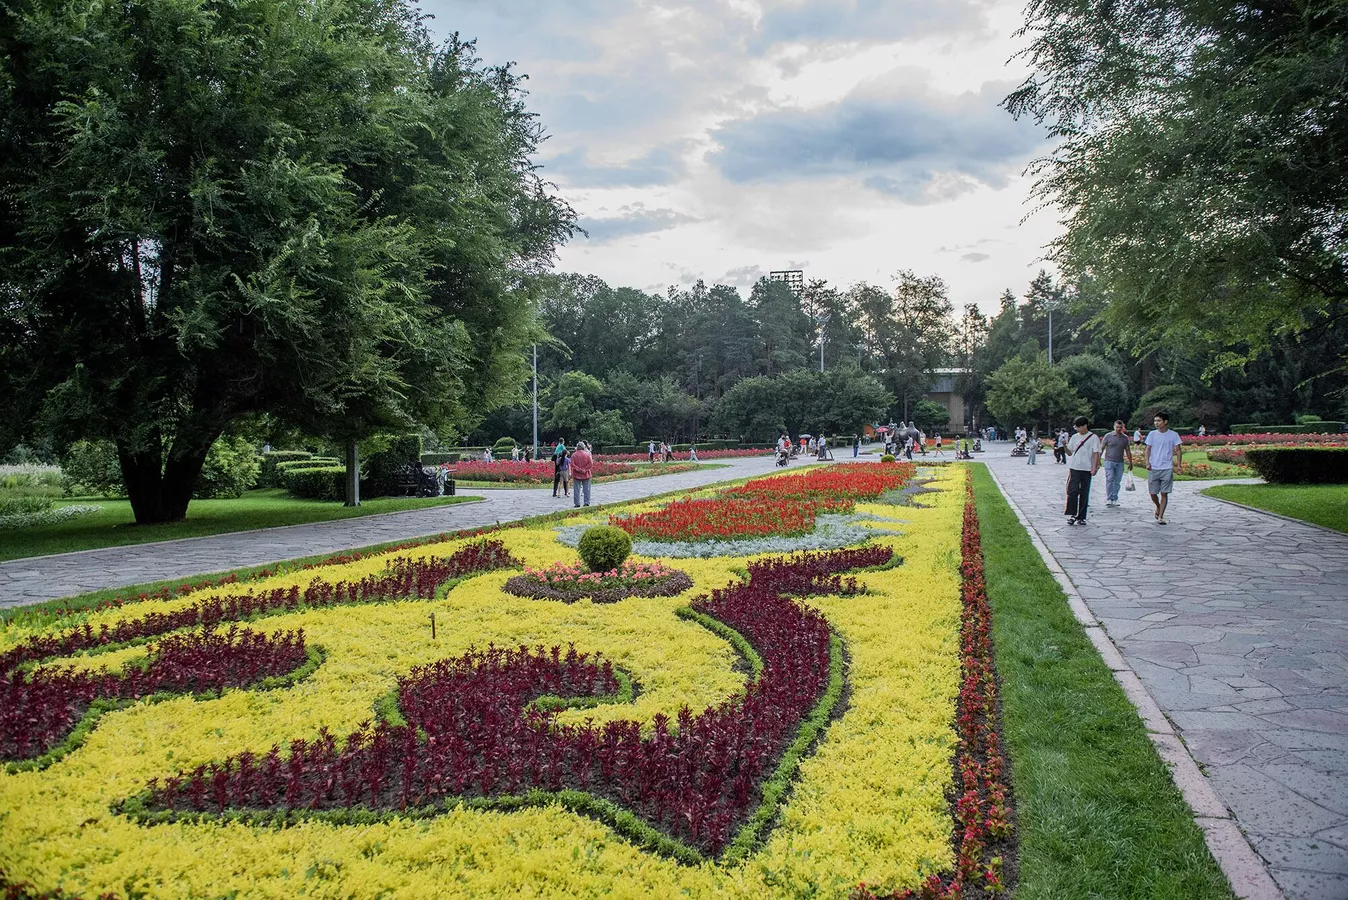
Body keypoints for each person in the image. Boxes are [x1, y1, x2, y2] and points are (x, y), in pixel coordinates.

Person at [1145, 411, 1184, 524]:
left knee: (1164, 493)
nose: (1156, 423)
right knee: (1153, 493)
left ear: (1165, 422)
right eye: (1155, 421)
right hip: (1154, 467)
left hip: (1166, 467)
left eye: (1159, 420)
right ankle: (1157, 505)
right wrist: (1147, 462)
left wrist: (1179, 465)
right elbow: (1148, 449)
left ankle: (1161, 516)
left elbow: (1178, 450)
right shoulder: (1152, 434)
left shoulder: (1173, 435)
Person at [1065, 416, 1102, 525]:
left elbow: (1096, 453)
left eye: (1078, 426)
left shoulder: (1093, 437)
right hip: (1075, 467)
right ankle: (1072, 514)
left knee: (1084, 492)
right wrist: (1064, 445)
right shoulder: (1074, 437)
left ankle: (1081, 516)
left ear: (1085, 426)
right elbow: (1069, 452)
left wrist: (1094, 467)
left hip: (1086, 468)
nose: (1076, 429)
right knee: (1072, 491)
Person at [1100, 419, 1133, 507]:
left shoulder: (1125, 438)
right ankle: (1109, 498)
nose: (1118, 429)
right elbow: (1102, 447)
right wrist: (1098, 459)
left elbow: (1128, 450)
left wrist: (1130, 462)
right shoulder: (1108, 436)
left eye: (1120, 427)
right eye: (1117, 427)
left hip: (1120, 462)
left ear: (1122, 427)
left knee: (1117, 481)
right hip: (1109, 461)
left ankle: (1115, 497)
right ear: (1114, 427)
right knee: (1110, 479)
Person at [570, 441, 593, 507]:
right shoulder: (587, 454)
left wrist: (578, 469)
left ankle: (577, 503)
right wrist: (584, 469)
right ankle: (586, 502)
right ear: (583, 447)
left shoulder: (574, 455)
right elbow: (591, 464)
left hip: (577, 474)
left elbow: (572, 464)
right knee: (587, 489)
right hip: (586, 474)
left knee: (576, 489)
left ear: (577, 447)